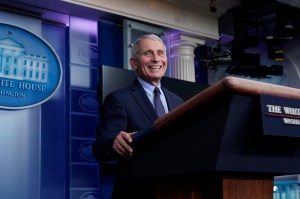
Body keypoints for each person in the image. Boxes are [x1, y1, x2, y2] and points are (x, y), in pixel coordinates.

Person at [92, 34, 184, 199]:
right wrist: (114, 141)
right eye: (148, 53)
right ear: (134, 63)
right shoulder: (119, 99)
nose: (156, 59)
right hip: (136, 192)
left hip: (175, 189)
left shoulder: (178, 101)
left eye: (160, 53)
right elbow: (100, 146)